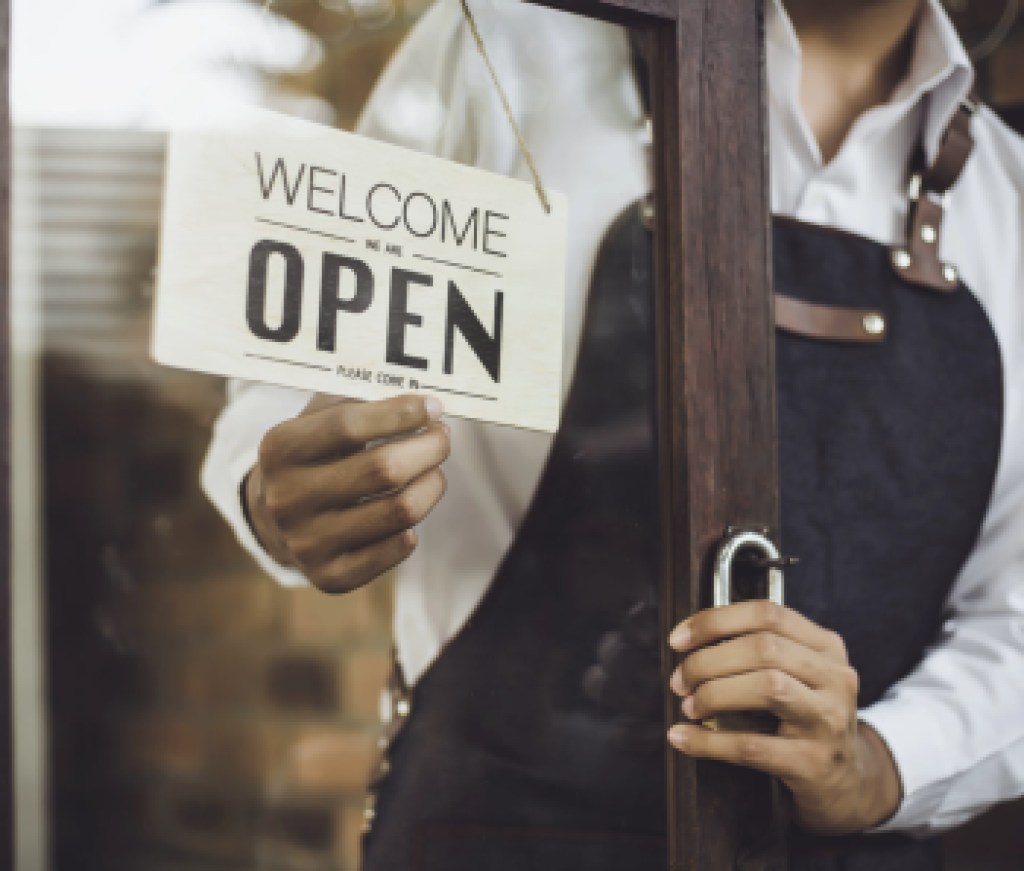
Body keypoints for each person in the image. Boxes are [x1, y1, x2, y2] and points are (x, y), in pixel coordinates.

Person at [202, 0, 1024, 868]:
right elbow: (288, 386)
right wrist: (279, 492)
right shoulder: (508, 42)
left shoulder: (1010, 206)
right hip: (493, 831)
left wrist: (878, 762)